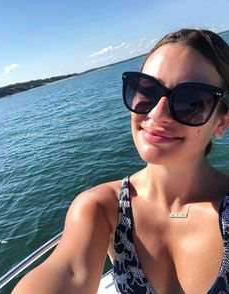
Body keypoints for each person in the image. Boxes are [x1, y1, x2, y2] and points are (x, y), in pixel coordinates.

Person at [13, 28, 229, 294]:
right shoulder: (101, 208)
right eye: (148, 91)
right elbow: (67, 272)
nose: (157, 113)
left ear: (221, 123)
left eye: (192, 101)